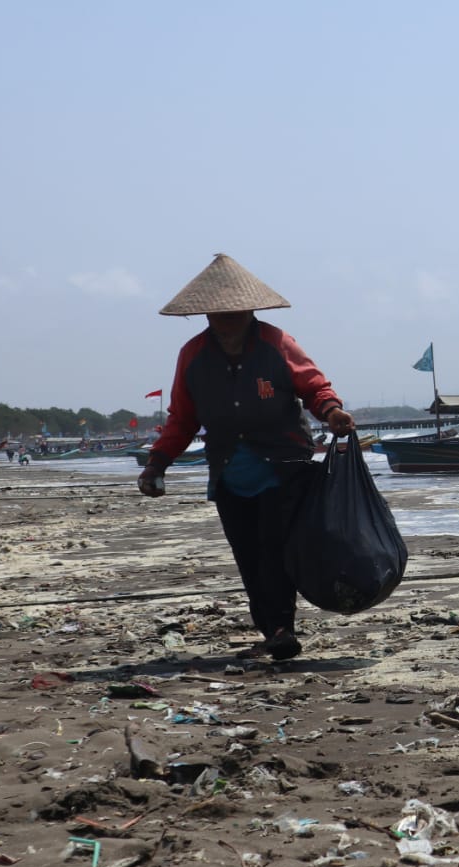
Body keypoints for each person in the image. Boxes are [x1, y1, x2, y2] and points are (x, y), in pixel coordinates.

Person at [136, 254, 354, 661]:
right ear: (206, 315)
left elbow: (314, 387)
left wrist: (332, 411)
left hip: (284, 467)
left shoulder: (277, 343)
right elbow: (182, 419)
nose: (227, 320)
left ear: (249, 310)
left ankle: (281, 628)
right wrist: (157, 463)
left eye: (234, 312)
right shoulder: (193, 356)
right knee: (248, 554)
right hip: (230, 472)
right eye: (218, 313)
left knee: (276, 548)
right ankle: (271, 628)